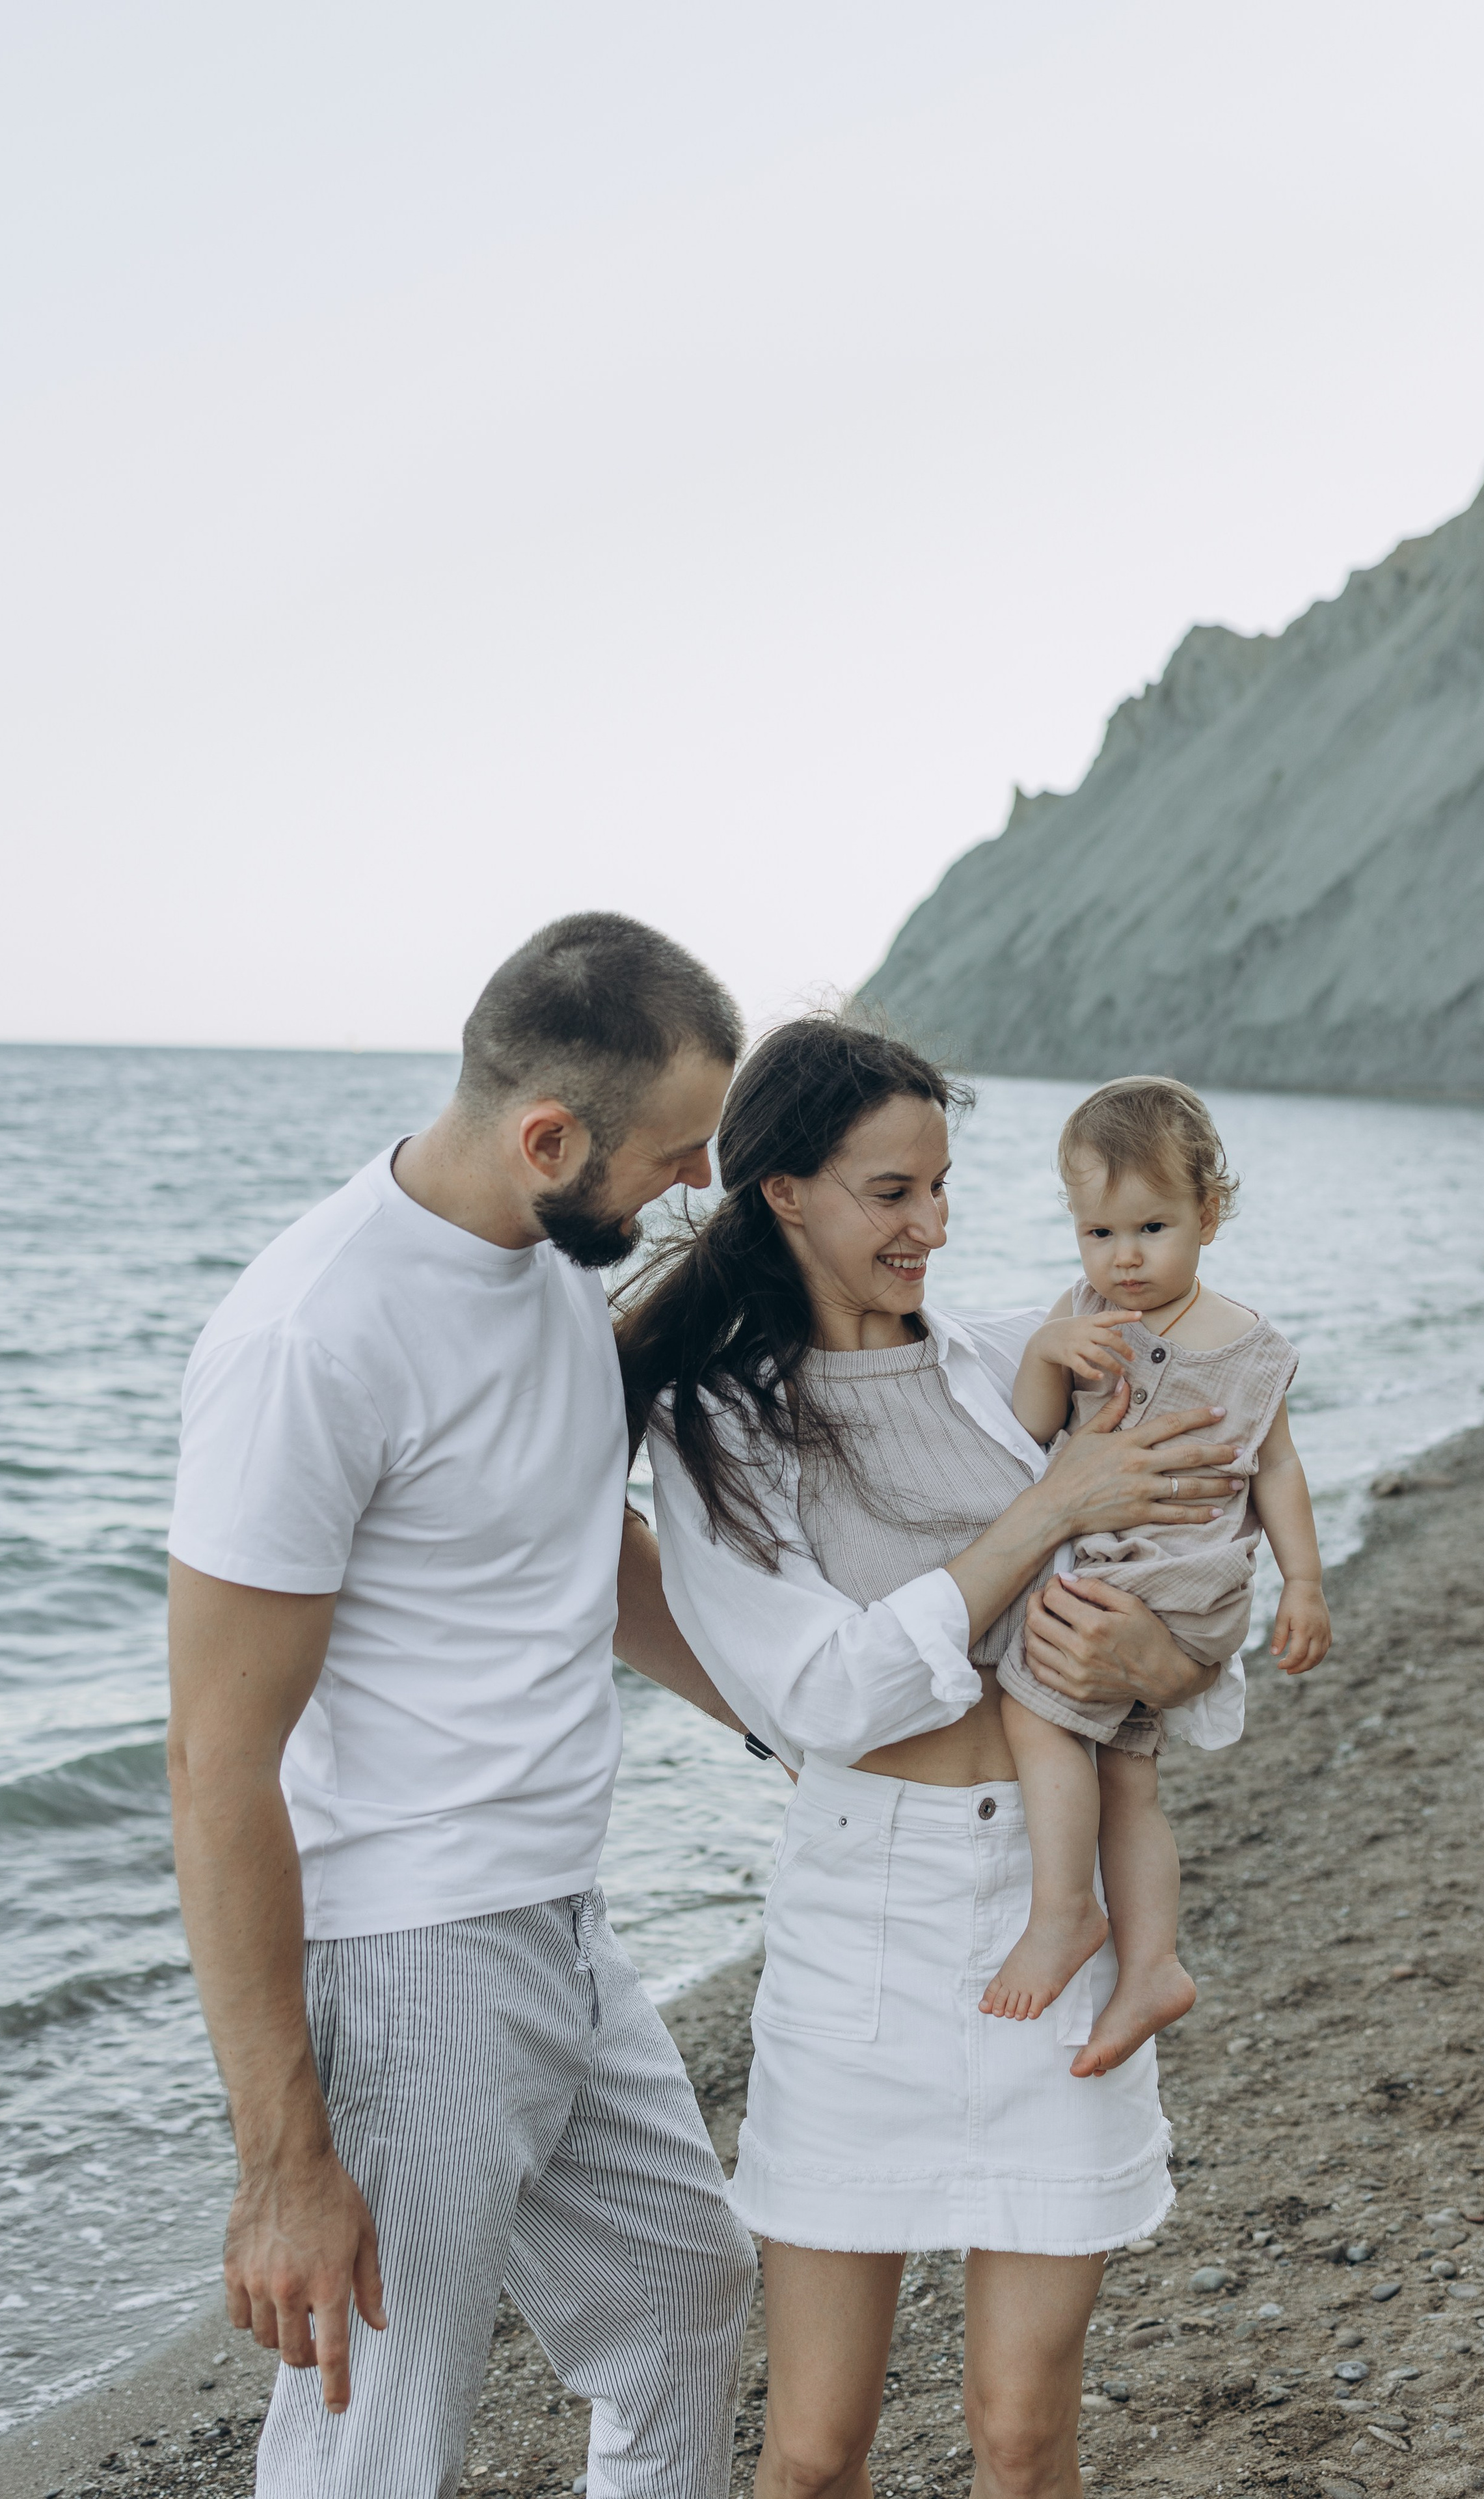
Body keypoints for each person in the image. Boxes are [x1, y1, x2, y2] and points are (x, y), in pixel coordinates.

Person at [166, 914, 760, 2499]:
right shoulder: (309, 1338)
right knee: (376, 2434)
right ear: (547, 1137)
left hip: (562, 1921)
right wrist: (282, 2159)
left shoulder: (552, 1259)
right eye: (674, 1152)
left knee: (680, 2300)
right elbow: (216, 1767)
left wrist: (785, 1718)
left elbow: (579, 1542)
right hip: (408, 1956)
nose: (695, 1182)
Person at [618, 1015, 1248, 2499]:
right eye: (892, 1192)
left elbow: (1182, 1609)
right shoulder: (719, 1427)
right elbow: (824, 1698)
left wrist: (1162, 1663)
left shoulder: (1001, 1366)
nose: (934, 1227)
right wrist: (1046, 1510)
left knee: (1022, 2435)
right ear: (783, 1192)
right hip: (862, 1925)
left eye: (944, 1185)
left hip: (1056, 1896)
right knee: (813, 2449)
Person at [984, 1074, 1332, 2073]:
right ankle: (1153, 1966)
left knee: (1032, 1708)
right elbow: (1030, 1429)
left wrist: (1304, 1583)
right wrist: (1050, 1349)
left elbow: (1277, 1469)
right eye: (1098, 1234)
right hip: (1142, 1579)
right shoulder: (1083, 1316)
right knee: (1129, 1778)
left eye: (1151, 1228)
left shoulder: (1248, 1348)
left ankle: (1063, 1912)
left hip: (1176, 1583)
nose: (1124, 1259)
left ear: (1208, 1217)